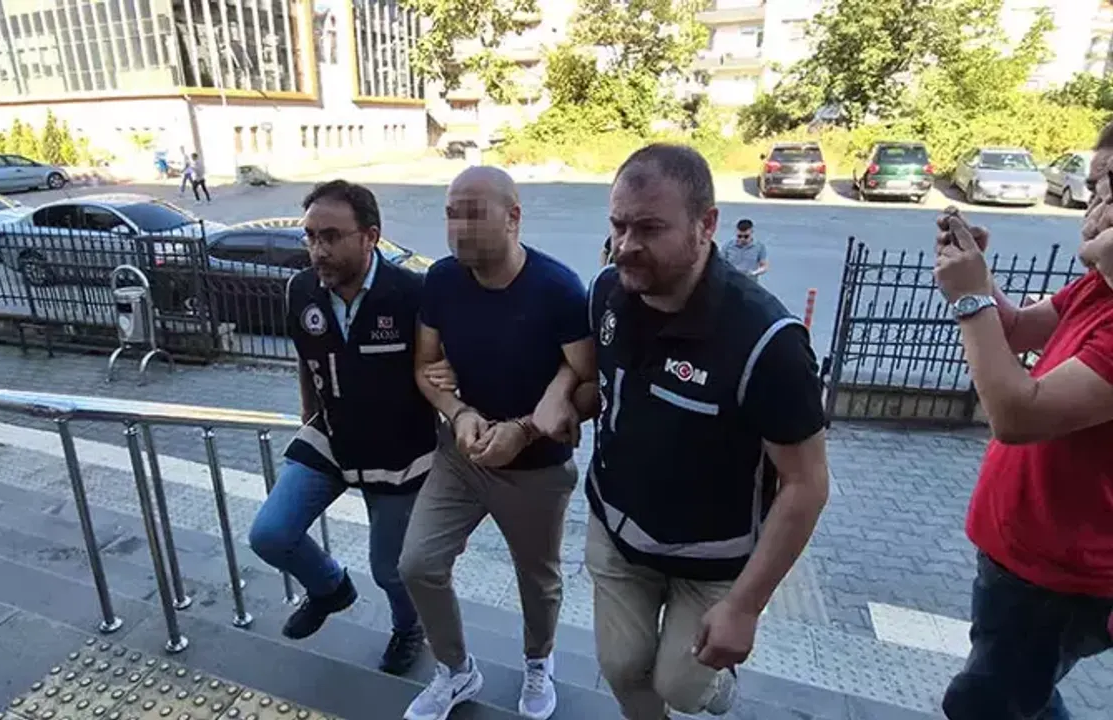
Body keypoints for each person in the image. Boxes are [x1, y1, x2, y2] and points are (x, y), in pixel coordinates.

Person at [575, 144, 830, 719]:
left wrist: (745, 607)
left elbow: (807, 484)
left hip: (714, 559)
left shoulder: (768, 342)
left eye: (649, 228)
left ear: (706, 225)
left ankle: (716, 691)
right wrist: (556, 404)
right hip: (616, 533)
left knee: (683, 687)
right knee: (621, 666)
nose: (626, 245)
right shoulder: (607, 291)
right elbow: (593, 377)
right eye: (618, 225)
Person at [398, 165, 595, 720]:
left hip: (537, 469)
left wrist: (524, 430)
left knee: (538, 579)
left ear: (513, 218)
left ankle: (539, 661)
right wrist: (458, 412)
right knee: (417, 564)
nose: (458, 227)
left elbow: (591, 388)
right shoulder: (441, 280)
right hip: (460, 457)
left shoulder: (557, 289)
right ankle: (457, 670)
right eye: (450, 213)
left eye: (473, 213)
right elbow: (425, 368)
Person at [934, 124, 1113, 719]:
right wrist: (978, 277)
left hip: (1057, 582)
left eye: (1105, 189)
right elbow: (1014, 330)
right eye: (1093, 189)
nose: (1092, 209)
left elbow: (1015, 414)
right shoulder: (1100, 288)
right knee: (1018, 696)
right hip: (1023, 562)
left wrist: (969, 300)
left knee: (983, 703)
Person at [246, 180, 434, 675]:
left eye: (331, 237)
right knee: (270, 533)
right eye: (310, 236)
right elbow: (305, 356)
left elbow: (439, 372)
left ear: (370, 236)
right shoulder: (301, 289)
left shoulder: (411, 294)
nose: (318, 250)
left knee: (390, 568)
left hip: (400, 452)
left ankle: (408, 627)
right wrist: (308, 414)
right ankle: (330, 588)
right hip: (332, 435)